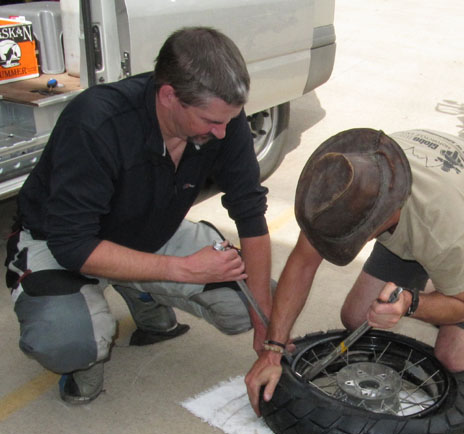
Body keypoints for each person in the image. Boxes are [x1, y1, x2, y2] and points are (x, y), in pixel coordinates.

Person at [5, 27, 273, 405]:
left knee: (254, 305)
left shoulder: (220, 119)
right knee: (68, 340)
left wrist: (267, 327)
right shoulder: (95, 123)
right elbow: (72, 245)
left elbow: (251, 214)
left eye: (228, 119)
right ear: (168, 96)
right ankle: (89, 344)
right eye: (210, 121)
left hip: (150, 230)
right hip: (58, 242)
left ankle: (138, 284)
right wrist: (183, 270)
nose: (223, 131)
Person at [245, 127, 464, 415]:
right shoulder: (350, 183)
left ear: (377, 224)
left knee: (454, 357)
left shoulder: (438, 230)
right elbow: (302, 263)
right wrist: (273, 349)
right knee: (358, 318)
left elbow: (462, 304)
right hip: (448, 193)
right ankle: (441, 285)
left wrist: (410, 303)